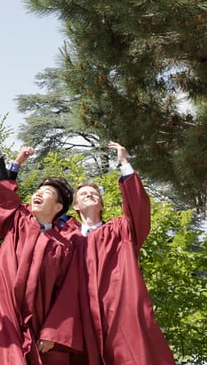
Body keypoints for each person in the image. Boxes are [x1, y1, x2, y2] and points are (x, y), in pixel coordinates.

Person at [0, 123, 83, 364]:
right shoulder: (18, 220)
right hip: (4, 312)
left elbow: (68, 291)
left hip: (42, 321)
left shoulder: (65, 244)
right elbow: (3, 190)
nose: (38, 193)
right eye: (38, 190)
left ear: (58, 207)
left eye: (47, 193)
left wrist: (53, 332)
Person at [69, 142, 175, 364]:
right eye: (83, 194)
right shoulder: (67, 239)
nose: (89, 195)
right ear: (75, 206)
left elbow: (138, 208)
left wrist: (124, 163)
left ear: (101, 205)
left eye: (94, 193)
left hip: (120, 311)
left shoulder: (121, 230)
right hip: (81, 316)